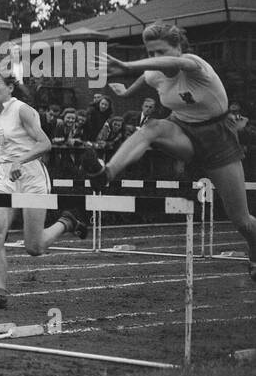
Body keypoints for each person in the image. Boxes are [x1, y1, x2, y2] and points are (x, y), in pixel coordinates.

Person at [83, 20, 256, 280]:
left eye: (161, 52)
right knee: (151, 127)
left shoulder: (195, 65)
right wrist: (127, 90)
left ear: (178, 47)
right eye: (150, 53)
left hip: (217, 138)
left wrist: (128, 66)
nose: (155, 58)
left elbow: (169, 65)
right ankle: (105, 174)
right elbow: (147, 76)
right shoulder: (154, 72)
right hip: (182, 129)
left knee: (241, 221)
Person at [0, 69, 86, 311]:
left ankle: (67, 222)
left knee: (34, 248)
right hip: (5, 177)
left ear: (10, 88)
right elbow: (4, 153)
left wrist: (20, 161)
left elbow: (44, 143)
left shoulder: (21, 110)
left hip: (32, 176)